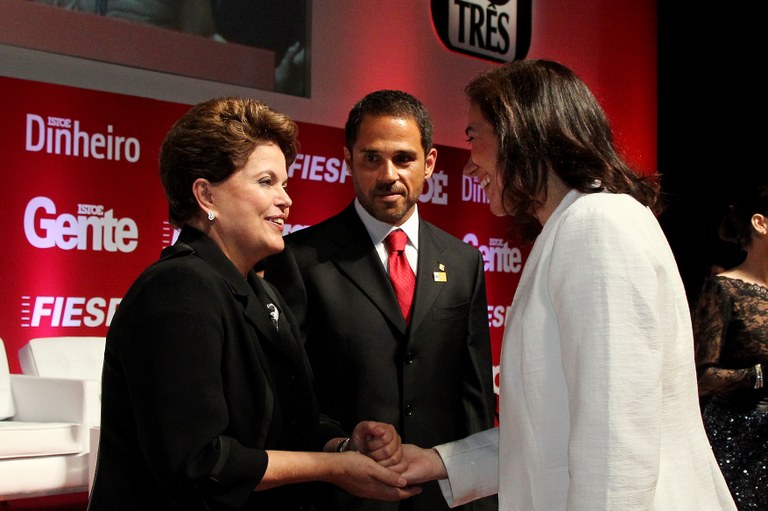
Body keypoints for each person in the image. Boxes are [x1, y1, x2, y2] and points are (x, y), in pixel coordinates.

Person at [398, 59, 737, 510]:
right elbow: (548, 431)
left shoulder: (597, 225)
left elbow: (616, 440)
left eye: (473, 135)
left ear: (518, 132)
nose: (469, 163)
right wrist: (440, 462)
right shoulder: (574, 226)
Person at [87, 96, 422, 511]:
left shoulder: (262, 292)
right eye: (266, 182)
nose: (286, 200)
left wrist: (341, 446)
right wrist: (331, 468)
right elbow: (197, 462)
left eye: (285, 184)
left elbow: (285, 423)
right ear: (206, 196)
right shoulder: (177, 290)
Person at [263, 89, 497, 511]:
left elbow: (475, 399)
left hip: (441, 500)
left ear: (429, 164)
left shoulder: (464, 263)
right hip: (342, 501)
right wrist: (338, 449)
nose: (388, 174)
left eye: (403, 158)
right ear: (347, 160)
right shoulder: (301, 259)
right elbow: (289, 399)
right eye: (371, 158)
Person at [693, 186, 768, 510]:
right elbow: (699, 379)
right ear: (760, 223)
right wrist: (759, 375)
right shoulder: (724, 288)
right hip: (739, 440)